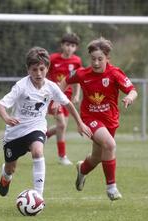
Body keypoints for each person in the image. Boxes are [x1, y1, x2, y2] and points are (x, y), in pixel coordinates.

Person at [0, 47, 92, 201]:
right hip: (15, 132)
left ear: (47, 68)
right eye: (34, 69)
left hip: (37, 127)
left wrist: (80, 123)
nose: (38, 73)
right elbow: (0, 105)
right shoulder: (21, 86)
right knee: (10, 167)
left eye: (42, 69)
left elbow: (68, 104)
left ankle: (38, 196)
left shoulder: (51, 87)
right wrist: (7, 117)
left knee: (38, 152)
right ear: (28, 69)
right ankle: (6, 176)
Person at [60, 37, 138, 201]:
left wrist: (129, 98)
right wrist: (56, 100)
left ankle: (82, 169)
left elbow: (132, 90)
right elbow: (64, 81)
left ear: (107, 58)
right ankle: (111, 187)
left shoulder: (115, 73)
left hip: (110, 120)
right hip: (89, 118)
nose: (96, 63)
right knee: (110, 145)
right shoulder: (82, 73)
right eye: (93, 59)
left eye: (100, 59)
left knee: (97, 157)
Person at [46, 33, 83, 165]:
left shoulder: (76, 61)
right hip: (53, 95)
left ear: (76, 48)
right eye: (67, 45)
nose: (69, 48)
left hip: (66, 97)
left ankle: (46, 134)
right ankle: (62, 157)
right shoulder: (53, 59)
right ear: (62, 45)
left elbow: (76, 79)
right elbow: (44, 73)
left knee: (62, 127)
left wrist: (76, 94)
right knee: (61, 124)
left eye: (72, 46)